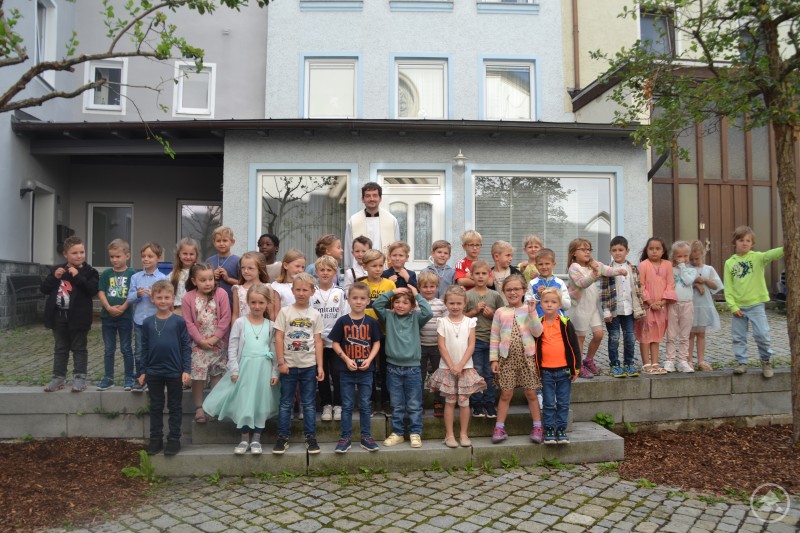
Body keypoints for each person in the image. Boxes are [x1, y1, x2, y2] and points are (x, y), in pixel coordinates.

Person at [202, 285, 279, 455]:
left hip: (263, 369)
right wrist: (234, 369)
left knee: (260, 403)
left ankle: (257, 439)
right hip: (245, 368)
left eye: (261, 302)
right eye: (253, 302)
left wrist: (275, 372)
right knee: (245, 402)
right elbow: (233, 346)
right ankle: (244, 439)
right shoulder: (240, 323)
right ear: (247, 302)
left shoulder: (271, 325)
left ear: (267, 303)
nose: (257, 306)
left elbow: (274, 349)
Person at [373, 286, 432, 448]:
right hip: (393, 368)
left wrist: (416, 294)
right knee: (396, 404)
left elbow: (428, 312)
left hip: (413, 368)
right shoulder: (388, 316)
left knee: (414, 403)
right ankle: (398, 433)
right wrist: (392, 292)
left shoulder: (416, 318)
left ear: (412, 306)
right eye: (397, 302)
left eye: (405, 303)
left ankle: (415, 433)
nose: (400, 305)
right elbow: (377, 305)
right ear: (392, 305)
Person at [273, 273, 325, 454]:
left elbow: (318, 341)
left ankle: (310, 437)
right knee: (286, 402)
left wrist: (320, 365)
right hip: (288, 365)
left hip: (309, 365)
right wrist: (281, 362)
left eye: (305, 290)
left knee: (309, 403)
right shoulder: (285, 312)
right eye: (298, 289)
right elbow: (278, 337)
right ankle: (282, 437)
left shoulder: (315, 314)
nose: (301, 293)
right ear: (292, 290)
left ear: (312, 292)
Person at [329, 282, 384, 453]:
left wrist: (370, 359)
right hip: (346, 371)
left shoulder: (372, 322)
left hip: (366, 371)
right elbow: (336, 343)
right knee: (347, 405)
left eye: (362, 299)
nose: (358, 302)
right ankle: (345, 437)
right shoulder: (343, 321)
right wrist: (345, 359)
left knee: (365, 405)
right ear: (348, 299)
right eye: (354, 298)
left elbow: (376, 343)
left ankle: (366, 437)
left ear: (368, 301)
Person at [489, 274, 544, 444]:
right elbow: (494, 336)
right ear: (504, 292)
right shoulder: (500, 312)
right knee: (506, 393)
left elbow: (537, 332)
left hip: (527, 358)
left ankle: (537, 426)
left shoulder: (530, 309)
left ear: (524, 290)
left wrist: (533, 312)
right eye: (509, 290)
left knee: (531, 392)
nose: (513, 292)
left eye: (516, 289)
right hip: (506, 359)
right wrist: (494, 359)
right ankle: (499, 427)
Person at [139, 280, 191, 456]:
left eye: (166, 297)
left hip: (174, 371)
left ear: (173, 299)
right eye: (159, 297)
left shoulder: (179, 322)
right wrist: (143, 370)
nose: (163, 301)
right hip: (154, 372)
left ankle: (174, 439)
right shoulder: (147, 323)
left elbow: (186, 346)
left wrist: (186, 369)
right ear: (152, 299)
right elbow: (143, 347)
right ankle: (156, 439)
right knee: (155, 406)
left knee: (175, 406)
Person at [723, 225, 784, 378]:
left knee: (762, 334)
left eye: (748, 240)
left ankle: (766, 360)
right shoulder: (730, 263)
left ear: (752, 243)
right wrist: (732, 306)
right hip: (739, 308)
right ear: (735, 242)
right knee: (739, 337)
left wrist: (786, 246)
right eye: (741, 240)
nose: (744, 243)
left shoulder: (757, 258)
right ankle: (742, 362)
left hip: (756, 305)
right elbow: (728, 288)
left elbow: (772, 254)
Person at [41, 236, 99, 393]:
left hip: (79, 318)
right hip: (58, 316)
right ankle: (58, 378)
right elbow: (44, 289)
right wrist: (54, 277)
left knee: (79, 348)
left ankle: (79, 378)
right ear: (65, 254)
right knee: (60, 348)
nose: (79, 256)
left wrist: (77, 276)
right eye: (75, 253)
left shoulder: (90, 271)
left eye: (82, 252)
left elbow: (92, 290)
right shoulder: (57, 270)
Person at [429, 286, 485, 448]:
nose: (455, 306)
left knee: (464, 402)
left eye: (458, 303)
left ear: (464, 303)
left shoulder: (470, 322)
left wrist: (460, 364)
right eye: (451, 303)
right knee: (450, 401)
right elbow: (441, 346)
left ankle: (463, 433)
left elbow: (471, 345)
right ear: (446, 303)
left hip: (465, 367)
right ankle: (449, 435)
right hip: (448, 368)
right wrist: (453, 365)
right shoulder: (443, 322)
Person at [566, 238, 626, 379]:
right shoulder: (574, 268)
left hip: (592, 307)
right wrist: (594, 274)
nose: (587, 252)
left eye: (589, 249)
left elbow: (607, 270)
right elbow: (582, 283)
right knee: (580, 338)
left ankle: (589, 360)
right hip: (579, 308)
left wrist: (619, 271)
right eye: (583, 249)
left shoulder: (593, 264)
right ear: (574, 253)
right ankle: (578, 366)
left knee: (599, 334)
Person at [182, 263, 232, 424]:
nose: (208, 283)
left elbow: (225, 318)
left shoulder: (221, 293)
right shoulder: (188, 298)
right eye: (203, 280)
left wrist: (215, 338)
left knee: (216, 374)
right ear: (194, 281)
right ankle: (199, 407)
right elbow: (188, 322)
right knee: (198, 376)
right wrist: (200, 341)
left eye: (210, 279)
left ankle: (213, 407)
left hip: (218, 343)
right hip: (199, 344)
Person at [535, 288, 580, 445]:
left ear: (559, 305)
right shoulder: (538, 324)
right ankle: (548, 430)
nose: (549, 305)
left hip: (564, 371)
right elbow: (534, 348)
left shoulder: (565, 323)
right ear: (540, 304)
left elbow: (574, 346)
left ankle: (561, 429)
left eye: (553, 302)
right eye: (546, 302)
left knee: (563, 402)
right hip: (545, 371)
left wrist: (576, 368)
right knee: (548, 403)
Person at [600, 236, 645, 378]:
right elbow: (605, 292)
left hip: (629, 310)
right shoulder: (607, 270)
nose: (617, 253)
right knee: (614, 337)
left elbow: (637, 290)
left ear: (627, 251)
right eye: (614, 250)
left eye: (621, 250)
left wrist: (639, 309)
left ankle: (629, 363)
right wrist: (606, 311)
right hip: (613, 311)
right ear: (610, 252)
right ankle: (614, 365)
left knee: (630, 337)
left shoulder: (633, 269)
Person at [464, 259, 504, 418]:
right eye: (477, 274)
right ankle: (477, 403)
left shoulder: (495, 295)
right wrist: (474, 312)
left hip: (493, 341)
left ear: (489, 275)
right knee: (477, 371)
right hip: (475, 341)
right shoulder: (468, 295)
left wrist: (492, 314)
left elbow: (503, 317)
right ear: (472, 276)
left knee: (490, 372)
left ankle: (489, 402)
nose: (480, 277)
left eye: (484, 273)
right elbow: (460, 317)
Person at [312, 255, 348, 422]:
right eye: (322, 270)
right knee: (322, 373)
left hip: (336, 342)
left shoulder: (340, 293)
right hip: (317, 342)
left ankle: (338, 404)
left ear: (335, 273)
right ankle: (326, 404)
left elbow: (344, 317)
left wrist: (336, 339)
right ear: (316, 272)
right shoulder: (312, 292)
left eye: (329, 270)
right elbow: (310, 317)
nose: (325, 273)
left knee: (338, 373)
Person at [127, 242, 167, 392]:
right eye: (143, 256)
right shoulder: (136, 277)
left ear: (158, 258)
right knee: (139, 351)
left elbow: (166, 301)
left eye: (150, 256)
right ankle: (140, 378)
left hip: (156, 321)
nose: (146, 259)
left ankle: (155, 379)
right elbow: (129, 298)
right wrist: (137, 294)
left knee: (155, 350)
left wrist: (155, 296)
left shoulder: (162, 278)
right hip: (139, 321)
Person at [97, 239, 136, 390]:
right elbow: (101, 291)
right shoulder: (107, 273)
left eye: (118, 256)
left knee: (126, 348)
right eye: (112, 257)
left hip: (125, 318)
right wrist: (108, 307)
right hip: (108, 318)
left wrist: (123, 307)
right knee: (109, 349)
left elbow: (133, 293)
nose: (114, 259)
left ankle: (129, 377)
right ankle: (108, 377)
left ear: (127, 256)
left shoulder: (132, 273)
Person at [635, 237, 675, 375]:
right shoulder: (644, 265)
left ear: (663, 251)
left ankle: (655, 363)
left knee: (657, 334)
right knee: (646, 333)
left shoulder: (668, 265)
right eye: (651, 248)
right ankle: (646, 363)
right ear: (647, 250)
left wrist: (662, 302)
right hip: (647, 306)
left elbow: (670, 285)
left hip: (661, 306)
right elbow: (640, 285)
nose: (654, 251)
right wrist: (651, 302)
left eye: (657, 248)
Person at [361, 249, 396, 412]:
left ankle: (387, 400)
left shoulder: (389, 284)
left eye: (381, 265)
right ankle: (372, 400)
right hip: (365, 333)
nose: (378, 269)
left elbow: (393, 307)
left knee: (385, 367)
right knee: (368, 368)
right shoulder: (361, 285)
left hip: (385, 332)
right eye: (374, 265)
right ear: (365, 266)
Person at [344, 182, 400, 269]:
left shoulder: (392, 220)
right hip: (360, 271)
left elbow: (396, 247)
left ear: (380, 198)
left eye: (375, 195)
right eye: (368, 196)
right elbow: (348, 248)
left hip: (383, 269)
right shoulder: (353, 221)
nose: (371, 199)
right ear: (362, 199)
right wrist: (349, 270)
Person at [688, 240, 723, 371]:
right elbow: (682, 284)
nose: (694, 261)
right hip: (691, 305)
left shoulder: (709, 269)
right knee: (690, 334)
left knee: (701, 334)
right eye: (691, 259)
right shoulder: (687, 269)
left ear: (702, 255)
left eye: (696, 258)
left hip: (704, 306)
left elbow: (717, 286)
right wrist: (695, 283)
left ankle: (701, 360)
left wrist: (706, 281)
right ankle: (689, 360)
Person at [664, 241, 699, 373]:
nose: (683, 259)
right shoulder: (670, 270)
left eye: (686, 256)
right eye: (679, 256)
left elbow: (687, 281)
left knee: (685, 335)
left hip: (687, 304)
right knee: (671, 334)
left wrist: (683, 267)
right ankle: (670, 360)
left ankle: (683, 360)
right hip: (673, 304)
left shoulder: (691, 270)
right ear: (674, 256)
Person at [417, 269, 447, 417]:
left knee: (438, 376)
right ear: (419, 287)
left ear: (437, 287)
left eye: (432, 286)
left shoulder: (441, 304)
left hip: (437, 346)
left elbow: (447, 324)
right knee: (419, 377)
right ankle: (419, 404)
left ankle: (438, 402)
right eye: (425, 286)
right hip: (420, 346)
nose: (429, 289)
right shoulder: (416, 304)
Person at [232, 251, 277, 323]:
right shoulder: (237, 289)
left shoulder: (268, 288)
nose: (245, 271)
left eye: (250, 268)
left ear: (259, 269)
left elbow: (270, 313)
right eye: (243, 268)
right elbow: (235, 314)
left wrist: (270, 332)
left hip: (262, 329)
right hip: (243, 330)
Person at [525, 248, 571, 317]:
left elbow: (567, 305)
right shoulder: (533, 283)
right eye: (540, 264)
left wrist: (556, 296)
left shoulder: (560, 282)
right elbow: (526, 306)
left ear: (554, 264)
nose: (544, 267)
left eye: (547, 263)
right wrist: (537, 296)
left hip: (557, 323)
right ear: (536, 266)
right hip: (538, 323)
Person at [206, 226, 240, 307]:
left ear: (232, 242)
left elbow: (243, 284)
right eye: (218, 241)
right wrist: (212, 277)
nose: (221, 244)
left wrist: (228, 279)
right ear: (214, 242)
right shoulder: (209, 261)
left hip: (231, 302)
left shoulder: (238, 261)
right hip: (212, 303)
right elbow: (203, 281)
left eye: (225, 240)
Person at [168, 237, 199, 316]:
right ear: (179, 254)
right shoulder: (172, 274)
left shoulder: (199, 272)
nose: (188, 257)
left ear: (196, 255)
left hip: (196, 310)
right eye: (185, 253)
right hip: (178, 310)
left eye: (191, 254)